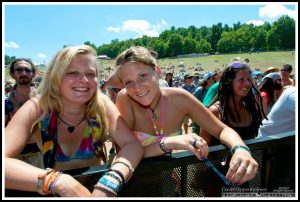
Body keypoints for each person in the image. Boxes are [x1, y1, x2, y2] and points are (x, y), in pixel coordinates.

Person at [107, 46, 258, 186]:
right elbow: (125, 151)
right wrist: (170, 143)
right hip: (135, 184)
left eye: (142, 76)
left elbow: (221, 130)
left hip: (170, 182)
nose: (137, 87)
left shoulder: (180, 98)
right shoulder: (125, 98)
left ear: (158, 71)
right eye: (128, 82)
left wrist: (240, 149)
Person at [5, 45, 143, 197]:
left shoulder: (101, 105)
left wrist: (111, 180)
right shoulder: (38, 107)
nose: (84, 80)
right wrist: (59, 182)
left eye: (91, 74)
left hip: (97, 190)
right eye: (73, 73)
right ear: (55, 77)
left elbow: (132, 145)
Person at [200, 61, 266, 146]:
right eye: (241, 79)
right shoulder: (215, 111)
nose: (247, 83)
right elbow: (204, 146)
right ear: (229, 82)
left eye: (249, 79)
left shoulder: (250, 109)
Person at [5, 58, 43, 168]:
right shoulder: (6, 102)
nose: (23, 73)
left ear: (33, 74)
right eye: (19, 70)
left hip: (38, 155)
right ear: (12, 74)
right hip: (13, 157)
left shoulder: (43, 100)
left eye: (27, 70)